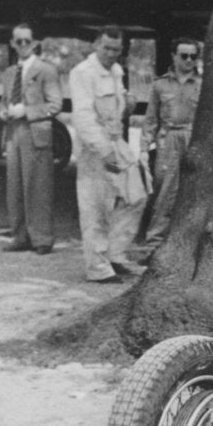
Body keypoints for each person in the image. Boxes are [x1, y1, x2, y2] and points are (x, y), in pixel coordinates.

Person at [69, 25, 148, 284]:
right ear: (95, 45)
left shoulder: (115, 70)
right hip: (96, 149)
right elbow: (82, 118)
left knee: (136, 195)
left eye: (117, 49)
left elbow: (116, 106)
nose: (112, 54)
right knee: (96, 207)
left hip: (116, 142)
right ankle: (98, 268)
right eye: (107, 48)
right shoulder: (82, 73)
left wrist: (127, 103)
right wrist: (103, 151)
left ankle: (115, 254)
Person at [0, 23, 62, 255]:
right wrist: (3, 111)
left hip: (35, 132)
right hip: (13, 132)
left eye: (27, 41)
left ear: (34, 43)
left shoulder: (46, 70)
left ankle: (42, 238)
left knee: (38, 186)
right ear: (12, 44)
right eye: (18, 41)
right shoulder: (9, 72)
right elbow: (4, 100)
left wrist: (27, 110)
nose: (22, 45)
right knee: (14, 186)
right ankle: (20, 236)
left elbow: (55, 104)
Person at [138, 37, 201, 264]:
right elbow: (150, 120)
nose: (188, 60)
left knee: (193, 192)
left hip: (192, 139)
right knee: (164, 192)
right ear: (174, 56)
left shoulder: (202, 84)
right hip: (168, 140)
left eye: (193, 56)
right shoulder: (160, 85)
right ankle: (153, 245)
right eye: (184, 55)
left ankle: (186, 247)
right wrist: (144, 148)